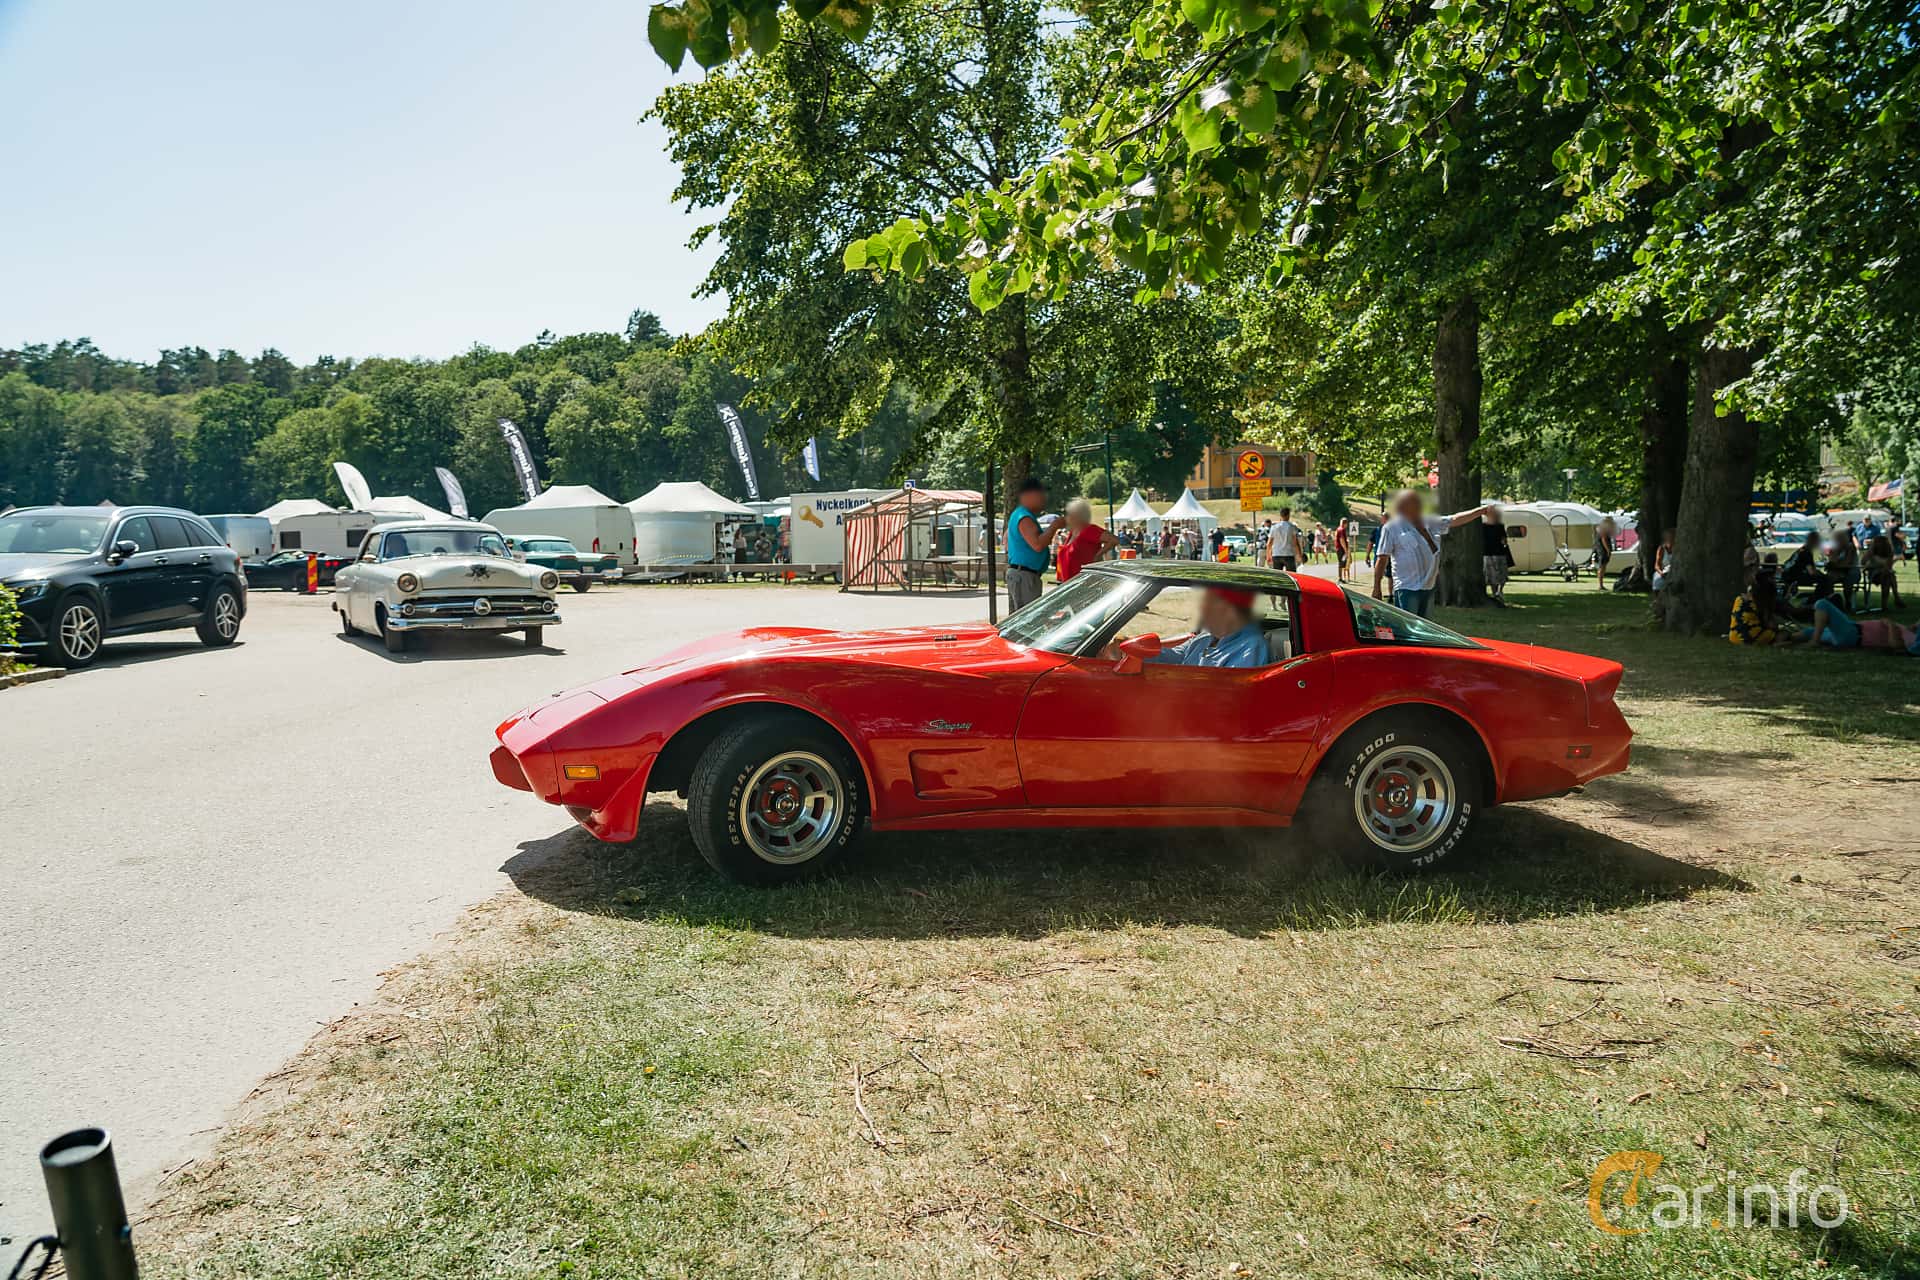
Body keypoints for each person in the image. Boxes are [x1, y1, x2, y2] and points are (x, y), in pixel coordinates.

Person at [1370, 490, 1494, 617]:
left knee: (1425, 628)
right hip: (1407, 588)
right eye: (1414, 503)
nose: (1418, 506)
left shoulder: (1429, 522)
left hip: (1428, 587)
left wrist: (1481, 511)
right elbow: (1382, 558)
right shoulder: (1391, 527)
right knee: (1408, 628)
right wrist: (1377, 587)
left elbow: (1455, 519)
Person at [1107, 586, 1265, 669]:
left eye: (1209, 605)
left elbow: (1232, 690)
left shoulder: (1251, 645)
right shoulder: (1206, 637)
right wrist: (1133, 649)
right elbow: (1175, 655)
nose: (1202, 611)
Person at [1003, 477, 1050, 612]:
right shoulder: (1024, 517)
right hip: (1024, 575)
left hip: (1023, 574)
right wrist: (1054, 527)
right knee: (1027, 619)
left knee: (1024, 617)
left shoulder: (1019, 514)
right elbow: (1037, 545)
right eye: (1041, 494)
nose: (1044, 499)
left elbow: (1006, 539)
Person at [1052, 497, 1118, 585]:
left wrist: (1098, 555)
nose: (1066, 517)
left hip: (1085, 584)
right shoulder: (1072, 533)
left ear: (1077, 516)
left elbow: (1113, 540)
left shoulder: (1088, 530)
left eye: (1068, 514)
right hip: (1069, 585)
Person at [1481, 506, 1512, 607]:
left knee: (1498, 574)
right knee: (1494, 575)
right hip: (1491, 553)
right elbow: (1503, 540)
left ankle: (1498, 591)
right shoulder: (1485, 526)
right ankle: (1496, 592)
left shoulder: (1496, 526)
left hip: (1495, 553)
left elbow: (1503, 540)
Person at [1864, 534, 1903, 610]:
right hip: (1873, 575)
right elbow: (1863, 562)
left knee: (1888, 578)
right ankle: (1896, 597)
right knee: (1890, 576)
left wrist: (1884, 569)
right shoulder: (1871, 553)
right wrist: (1871, 553)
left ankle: (1886, 605)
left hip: (1884, 574)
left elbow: (1888, 567)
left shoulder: (1889, 554)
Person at [1824, 530, 1860, 611]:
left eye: (1839, 539)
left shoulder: (1851, 547)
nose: (1836, 541)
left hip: (1851, 572)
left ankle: (1848, 602)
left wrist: (1834, 564)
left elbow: (1846, 563)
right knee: (1828, 578)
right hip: (1839, 571)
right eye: (1835, 539)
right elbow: (1832, 561)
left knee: (1848, 581)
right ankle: (1831, 601)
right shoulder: (1834, 548)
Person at [1267, 507, 1302, 571]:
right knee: (1291, 575)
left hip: (1276, 554)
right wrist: (1299, 554)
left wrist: (1268, 555)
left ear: (1280, 515)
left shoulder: (1274, 527)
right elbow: (1295, 543)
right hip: (1288, 554)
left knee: (1278, 576)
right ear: (1288, 515)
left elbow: (1269, 543)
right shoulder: (1292, 527)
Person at [1593, 516, 1617, 590]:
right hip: (1602, 551)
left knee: (1603, 567)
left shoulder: (1600, 529)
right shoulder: (1604, 530)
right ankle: (1600, 585)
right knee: (1602, 567)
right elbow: (1604, 540)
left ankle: (1601, 585)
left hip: (1600, 550)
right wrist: (1608, 550)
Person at [1651, 528, 1676, 594]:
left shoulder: (1678, 548)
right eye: (1670, 537)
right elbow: (1657, 565)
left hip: (1675, 571)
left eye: (1673, 537)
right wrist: (1661, 573)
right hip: (1664, 571)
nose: (1672, 539)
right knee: (1657, 579)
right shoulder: (1661, 549)